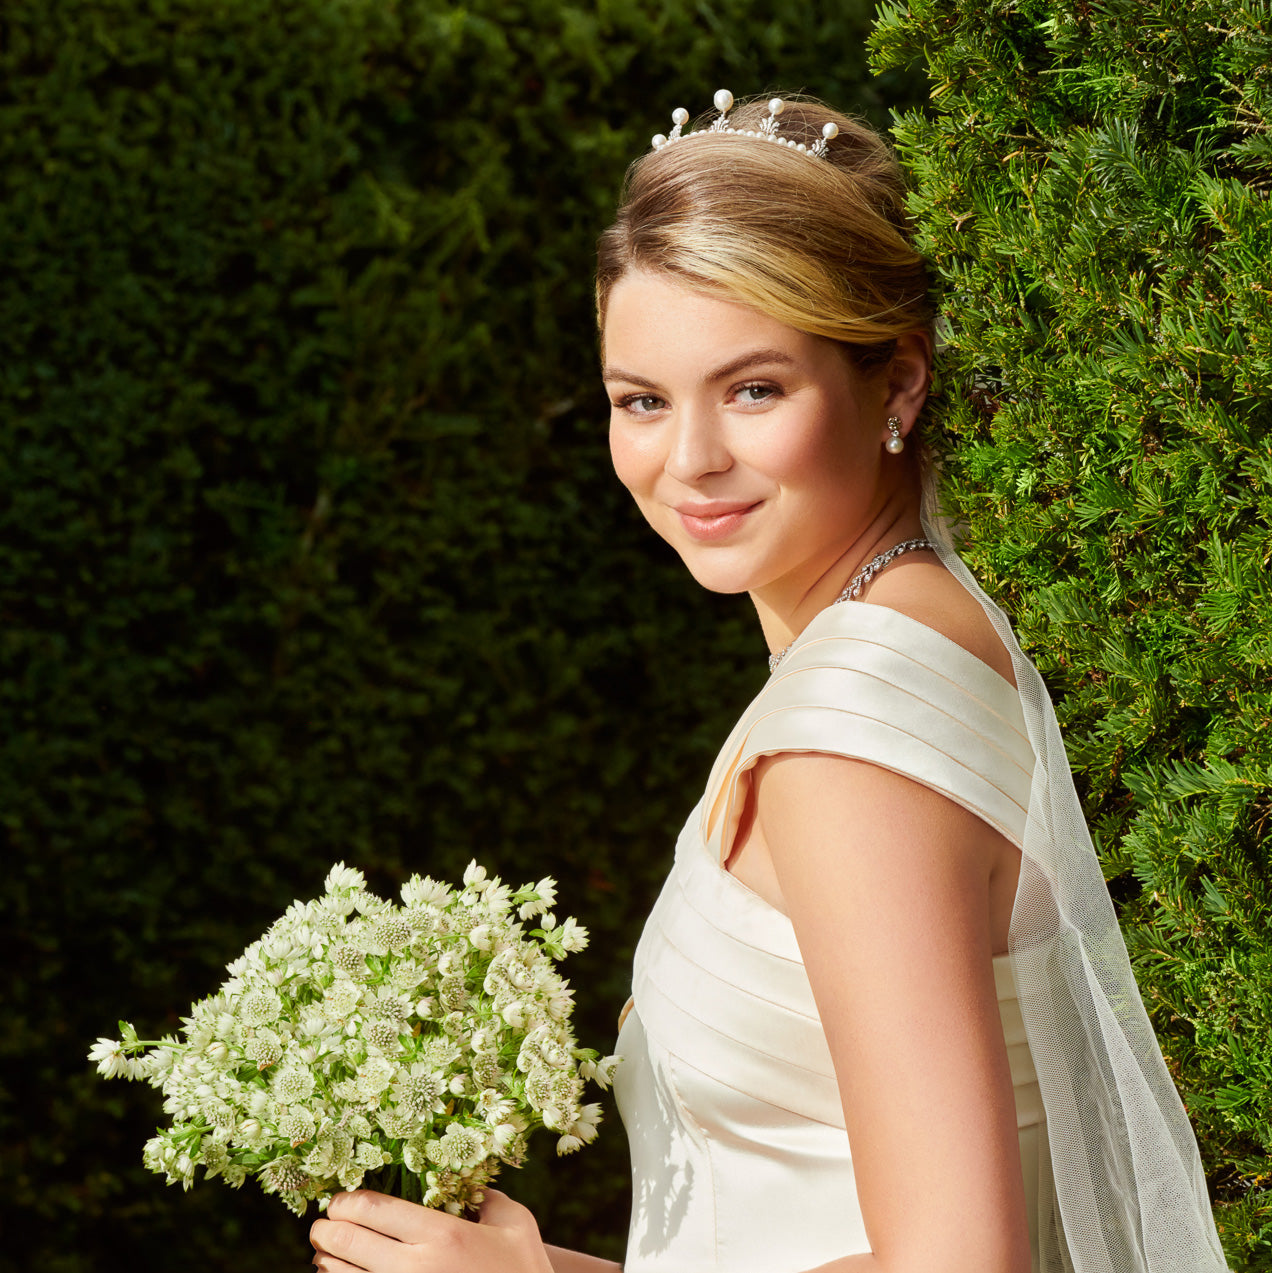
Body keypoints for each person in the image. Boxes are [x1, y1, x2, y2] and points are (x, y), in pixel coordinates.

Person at [310, 92, 1230, 1273]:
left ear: (896, 384)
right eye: (641, 399)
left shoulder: (848, 740)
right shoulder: (914, 635)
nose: (687, 459)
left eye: (752, 389)